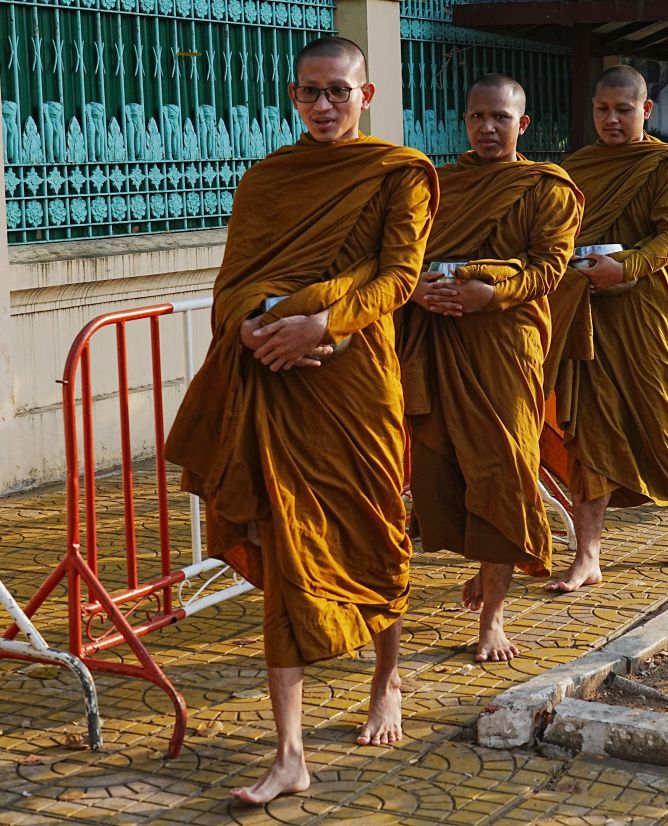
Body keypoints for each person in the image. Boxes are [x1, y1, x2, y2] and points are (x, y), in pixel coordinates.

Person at [164, 36, 438, 804]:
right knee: (288, 550)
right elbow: (231, 283)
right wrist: (252, 322)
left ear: (367, 96)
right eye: (311, 92)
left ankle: (387, 681)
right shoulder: (267, 181)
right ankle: (289, 753)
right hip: (274, 386)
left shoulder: (397, 174)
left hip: (357, 385)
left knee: (376, 533)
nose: (324, 106)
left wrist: (320, 323)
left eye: (339, 92)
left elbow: (400, 274)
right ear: (293, 97)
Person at [398, 74, 583, 661]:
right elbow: (406, 256)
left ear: (521, 124)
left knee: (503, 469)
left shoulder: (545, 186)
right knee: (445, 466)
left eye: (500, 118)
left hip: (506, 343)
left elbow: (550, 268)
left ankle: (494, 618)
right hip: (439, 338)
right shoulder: (439, 185)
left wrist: (491, 294)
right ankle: (485, 565)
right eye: (478, 117)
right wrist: (419, 291)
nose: (487, 128)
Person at [544, 65, 668, 593]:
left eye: (623, 110)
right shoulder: (577, 167)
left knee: (661, 414)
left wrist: (627, 267)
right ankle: (588, 553)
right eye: (602, 110)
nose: (611, 120)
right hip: (586, 309)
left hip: (646, 308)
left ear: (646, 111)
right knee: (588, 429)